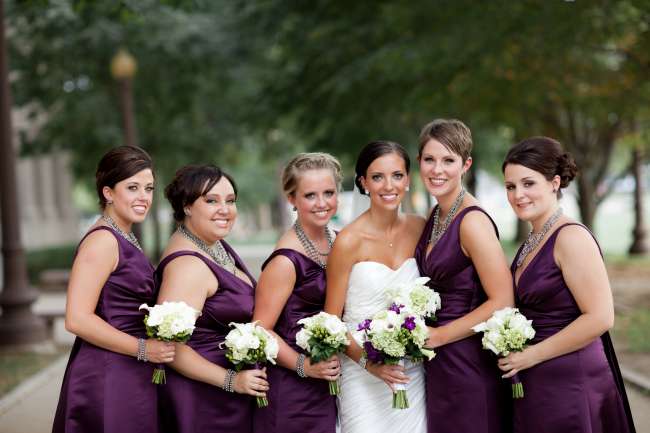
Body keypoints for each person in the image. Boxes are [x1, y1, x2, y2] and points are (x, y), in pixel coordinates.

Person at [500, 136, 636, 433]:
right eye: (511, 186)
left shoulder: (571, 237)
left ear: (554, 182)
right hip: (538, 381)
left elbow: (601, 317)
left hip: (572, 383)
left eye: (528, 183)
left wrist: (532, 354)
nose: (518, 194)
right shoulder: (533, 241)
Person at [53, 146, 174, 433]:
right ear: (108, 192)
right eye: (132, 187)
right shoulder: (102, 241)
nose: (143, 197)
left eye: (148, 188)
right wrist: (145, 348)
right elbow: (77, 319)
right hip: (106, 372)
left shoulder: (124, 236)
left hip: (128, 367)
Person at [414, 119, 513, 433]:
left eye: (448, 160)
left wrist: (440, 336)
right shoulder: (436, 215)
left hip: (467, 361)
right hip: (439, 364)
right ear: (419, 163)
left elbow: (502, 300)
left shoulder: (472, 222)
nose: (437, 169)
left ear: (466, 164)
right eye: (430, 159)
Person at [156, 164, 268, 433]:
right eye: (211, 201)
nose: (225, 210)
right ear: (187, 205)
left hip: (223, 398)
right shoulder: (188, 266)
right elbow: (170, 349)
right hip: (204, 403)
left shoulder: (212, 244)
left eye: (230, 201)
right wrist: (232, 380)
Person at [325, 141, 427, 433]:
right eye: (377, 177)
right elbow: (332, 322)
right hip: (362, 374)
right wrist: (372, 365)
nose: (388, 185)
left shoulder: (420, 228)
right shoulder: (348, 241)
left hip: (410, 372)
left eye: (397, 175)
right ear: (363, 182)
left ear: (408, 179)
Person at [253, 153, 342, 433]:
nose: (322, 203)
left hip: (328, 384)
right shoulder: (285, 260)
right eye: (310, 195)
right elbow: (260, 328)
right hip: (292, 390)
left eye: (328, 192)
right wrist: (305, 365)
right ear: (292, 199)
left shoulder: (340, 240)